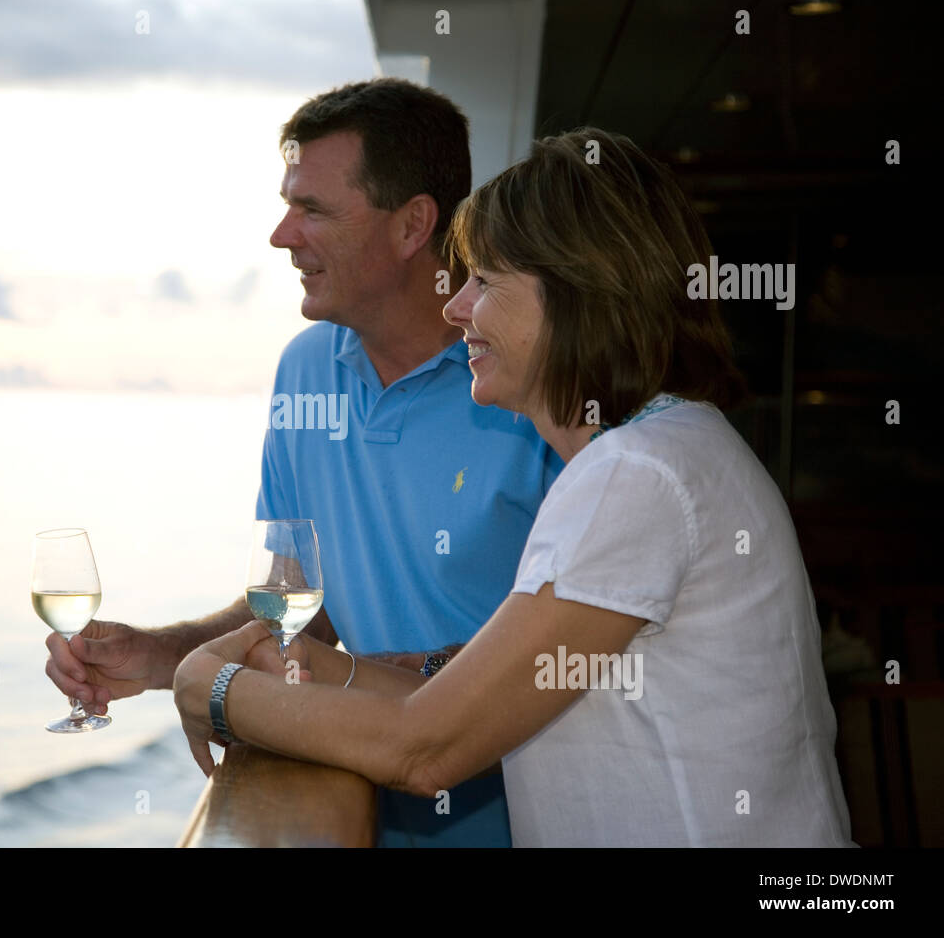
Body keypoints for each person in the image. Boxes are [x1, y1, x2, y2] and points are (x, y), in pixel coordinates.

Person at [173, 127, 855, 847]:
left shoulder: (637, 475)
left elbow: (427, 748)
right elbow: (479, 703)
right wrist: (326, 668)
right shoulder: (661, 448)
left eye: (486, 281)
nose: (455, 307)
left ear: (579, 296)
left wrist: (210, 689)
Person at [44, 78, 563, 847]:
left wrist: (371, 679)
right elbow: (295, 608)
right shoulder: (306, 371)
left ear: (413, 224)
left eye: (313, 209)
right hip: (371, 816)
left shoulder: (528, 380)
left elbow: (577, 641)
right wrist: (156, 655)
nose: (282, 235)